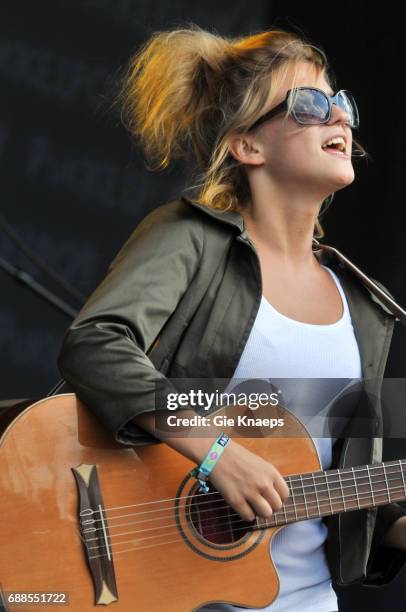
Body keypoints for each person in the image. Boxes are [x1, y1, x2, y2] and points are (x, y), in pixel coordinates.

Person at [56, 24, 406, 612]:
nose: (339, 116)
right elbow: (95, 343)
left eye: (342, 103)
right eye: (310, 103)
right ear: (248, 146)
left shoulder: (364, 308)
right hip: (161, 588)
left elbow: (331, 475)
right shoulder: (191, 238)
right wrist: (217, 452)